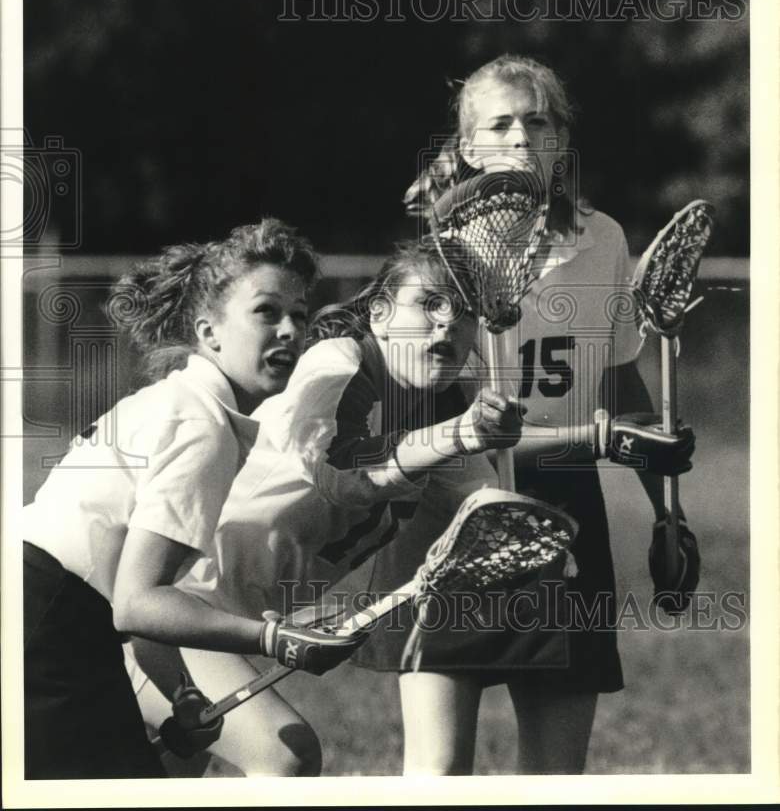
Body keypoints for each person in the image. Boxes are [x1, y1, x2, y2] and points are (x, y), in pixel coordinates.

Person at [128, 230, 691, 777]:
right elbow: (342, 475)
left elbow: (488, 498)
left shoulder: (433, 418)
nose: (448, 322)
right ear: (379, 315)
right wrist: (463, 433)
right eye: (428, 304)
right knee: (287, 758)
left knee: (161, 778)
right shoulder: (336, 363)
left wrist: (577, 488)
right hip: (173, 617)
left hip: (232, 624)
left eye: (464, 313)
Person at [353, 53, 701, 775]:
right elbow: (432, 423)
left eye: (536, 121)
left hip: (566, 505)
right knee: (440, 770)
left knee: (556, 774)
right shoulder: (437, 256)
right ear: (467, 147)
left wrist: (667, 508)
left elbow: (615, 374)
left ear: (561, 143)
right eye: (499, 123)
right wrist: (604, 440)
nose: (519, 137)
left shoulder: (601, 239)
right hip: (455, 507)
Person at [22, 218, 367, 780]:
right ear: (209, 333)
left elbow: (138, 601)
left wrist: (182, 694)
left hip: (50, 617)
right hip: (48, 627)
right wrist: (272, 637)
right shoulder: (201, 425)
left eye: (300, 316)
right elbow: (136, 603)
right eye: (267, 312)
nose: (289, 330)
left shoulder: (186, 405)